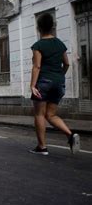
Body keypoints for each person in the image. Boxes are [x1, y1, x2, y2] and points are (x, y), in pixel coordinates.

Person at [29, 13, 80, 155]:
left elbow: (37, 66)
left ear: (38, 28)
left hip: (43, 81)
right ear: (52, 27)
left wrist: (33, 85)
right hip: (58, 82)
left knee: (39, 114)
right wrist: (59, 77)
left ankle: (42, 147)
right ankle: (70, 135)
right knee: (51, 115)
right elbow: (67, 63)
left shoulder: (38, 45)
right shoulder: (59, 43)